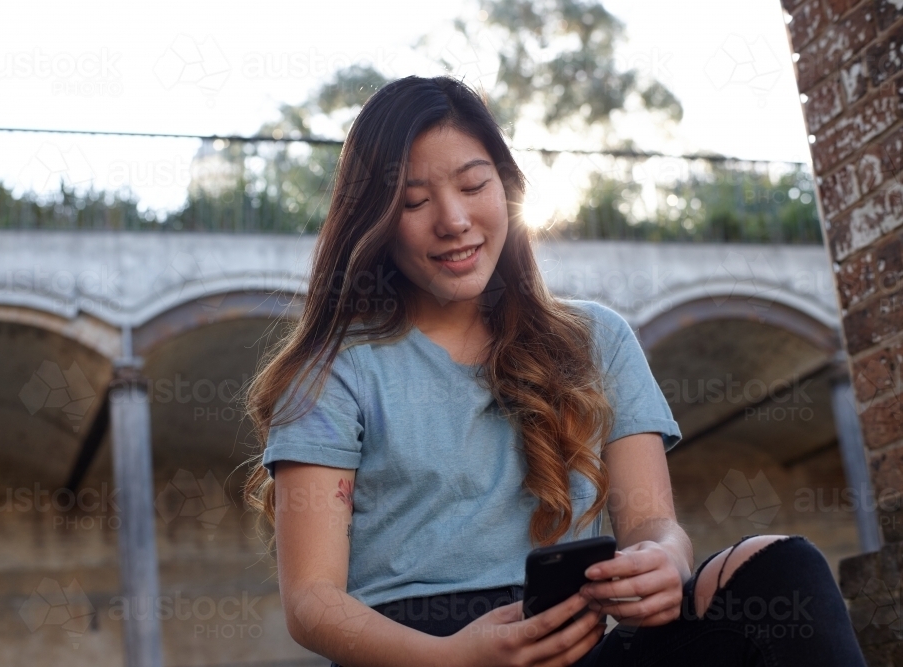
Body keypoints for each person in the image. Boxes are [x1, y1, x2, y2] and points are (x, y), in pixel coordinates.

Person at [241, 75, 866, 666]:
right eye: (414, 201)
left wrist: (664, 559)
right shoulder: (330, 372)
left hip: (574, 649)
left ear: (508, 189)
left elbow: (652, 524)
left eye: (474, 185)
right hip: (420, 658)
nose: (453, 220)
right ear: (375, 220)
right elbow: (312, 601)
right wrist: (455, 658)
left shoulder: (599, 340)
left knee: (781, 566)